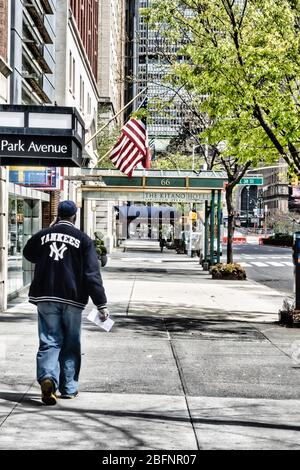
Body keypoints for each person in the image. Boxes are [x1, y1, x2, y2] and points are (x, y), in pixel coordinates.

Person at [23, 200, 108, 406]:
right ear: (75, 217)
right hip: (72, 297)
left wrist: (49, 232)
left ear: (57, 216)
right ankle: (68, 388)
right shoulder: (84, 240)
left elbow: (28, 253)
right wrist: (101, 303)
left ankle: (47, 378)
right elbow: (91, 274)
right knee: (70, 342)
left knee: (49, 340)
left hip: (45, 296)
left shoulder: (43, 235)